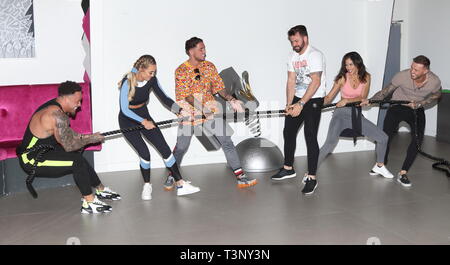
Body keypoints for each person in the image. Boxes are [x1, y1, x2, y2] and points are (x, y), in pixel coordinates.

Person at [163, 37, 257, 190]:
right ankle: (172, 175)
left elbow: (219, 88)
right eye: (201, 49)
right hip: (189, 114)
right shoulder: (181, 70)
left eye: (204, 48)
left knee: (226, 140)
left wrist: (231, 99)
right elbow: (187, 96)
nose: (204, 52)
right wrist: (205, 111)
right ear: (191, 51)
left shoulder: (209, 66)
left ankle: (241, 177)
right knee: (181, 147)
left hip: (210, 111)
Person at [16, 81, 120, 214]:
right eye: (77, 101)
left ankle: (100, 189)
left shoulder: (56, 107)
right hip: (31, 158)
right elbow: (69, 145)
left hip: (45, 150)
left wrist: (90, 137)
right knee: (76, 161)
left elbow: (69, 135)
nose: (79, 105)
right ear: (66, 98)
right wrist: (91, 139)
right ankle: (89, 202)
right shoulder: (56, 115)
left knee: (77, 157)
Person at [118, 55, 200, 199]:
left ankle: (180, 184)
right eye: (150, 72)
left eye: (154, 72)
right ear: (141, 70)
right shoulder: (127, 82)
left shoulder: (152, 81)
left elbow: (165, 98)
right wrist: (143, 122)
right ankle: (147, 186)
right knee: (144, 153)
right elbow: (125, 109)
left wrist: (181, 111)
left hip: (144, 115)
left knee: (164, 148)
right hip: (128, 121)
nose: (153, 75)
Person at [361, 55, 442, 187]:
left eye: (416, 69)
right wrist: (370, 100)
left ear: (425, 71)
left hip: (416, 109)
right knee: (384, 137)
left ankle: (403, 172)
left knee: (417, 140)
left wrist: (422, 103)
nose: (412, 71)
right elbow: (385, 91)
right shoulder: (402, 76)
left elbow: (437, 94)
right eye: (412, 67)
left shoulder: (434, 81)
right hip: (397, 107)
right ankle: (380, 164)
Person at [317, 52, 393, 188]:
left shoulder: (366, 77)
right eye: (346, 65)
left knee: (383, 138)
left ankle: (379, 165)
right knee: (329, 144)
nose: (348, 68)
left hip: (355, 114)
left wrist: (347, 100)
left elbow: (363, 97)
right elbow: (328, 98)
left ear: (358, 63)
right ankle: (311, 172)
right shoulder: (341, 78)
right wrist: (314, 104)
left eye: (351, 64)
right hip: (340, 114)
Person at [270, 25, 326, 195]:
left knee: (310, 135)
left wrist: (301, 104)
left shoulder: (315, 55)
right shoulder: (292, 56)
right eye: (291, 41)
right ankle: (288, 168)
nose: (294, 44)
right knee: (288, 131)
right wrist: (289, 104)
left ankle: (312, 177)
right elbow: (291, 81)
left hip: (314, 98)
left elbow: (315, 82)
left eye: (296, 40)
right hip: (298, 98)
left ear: (305, 38)